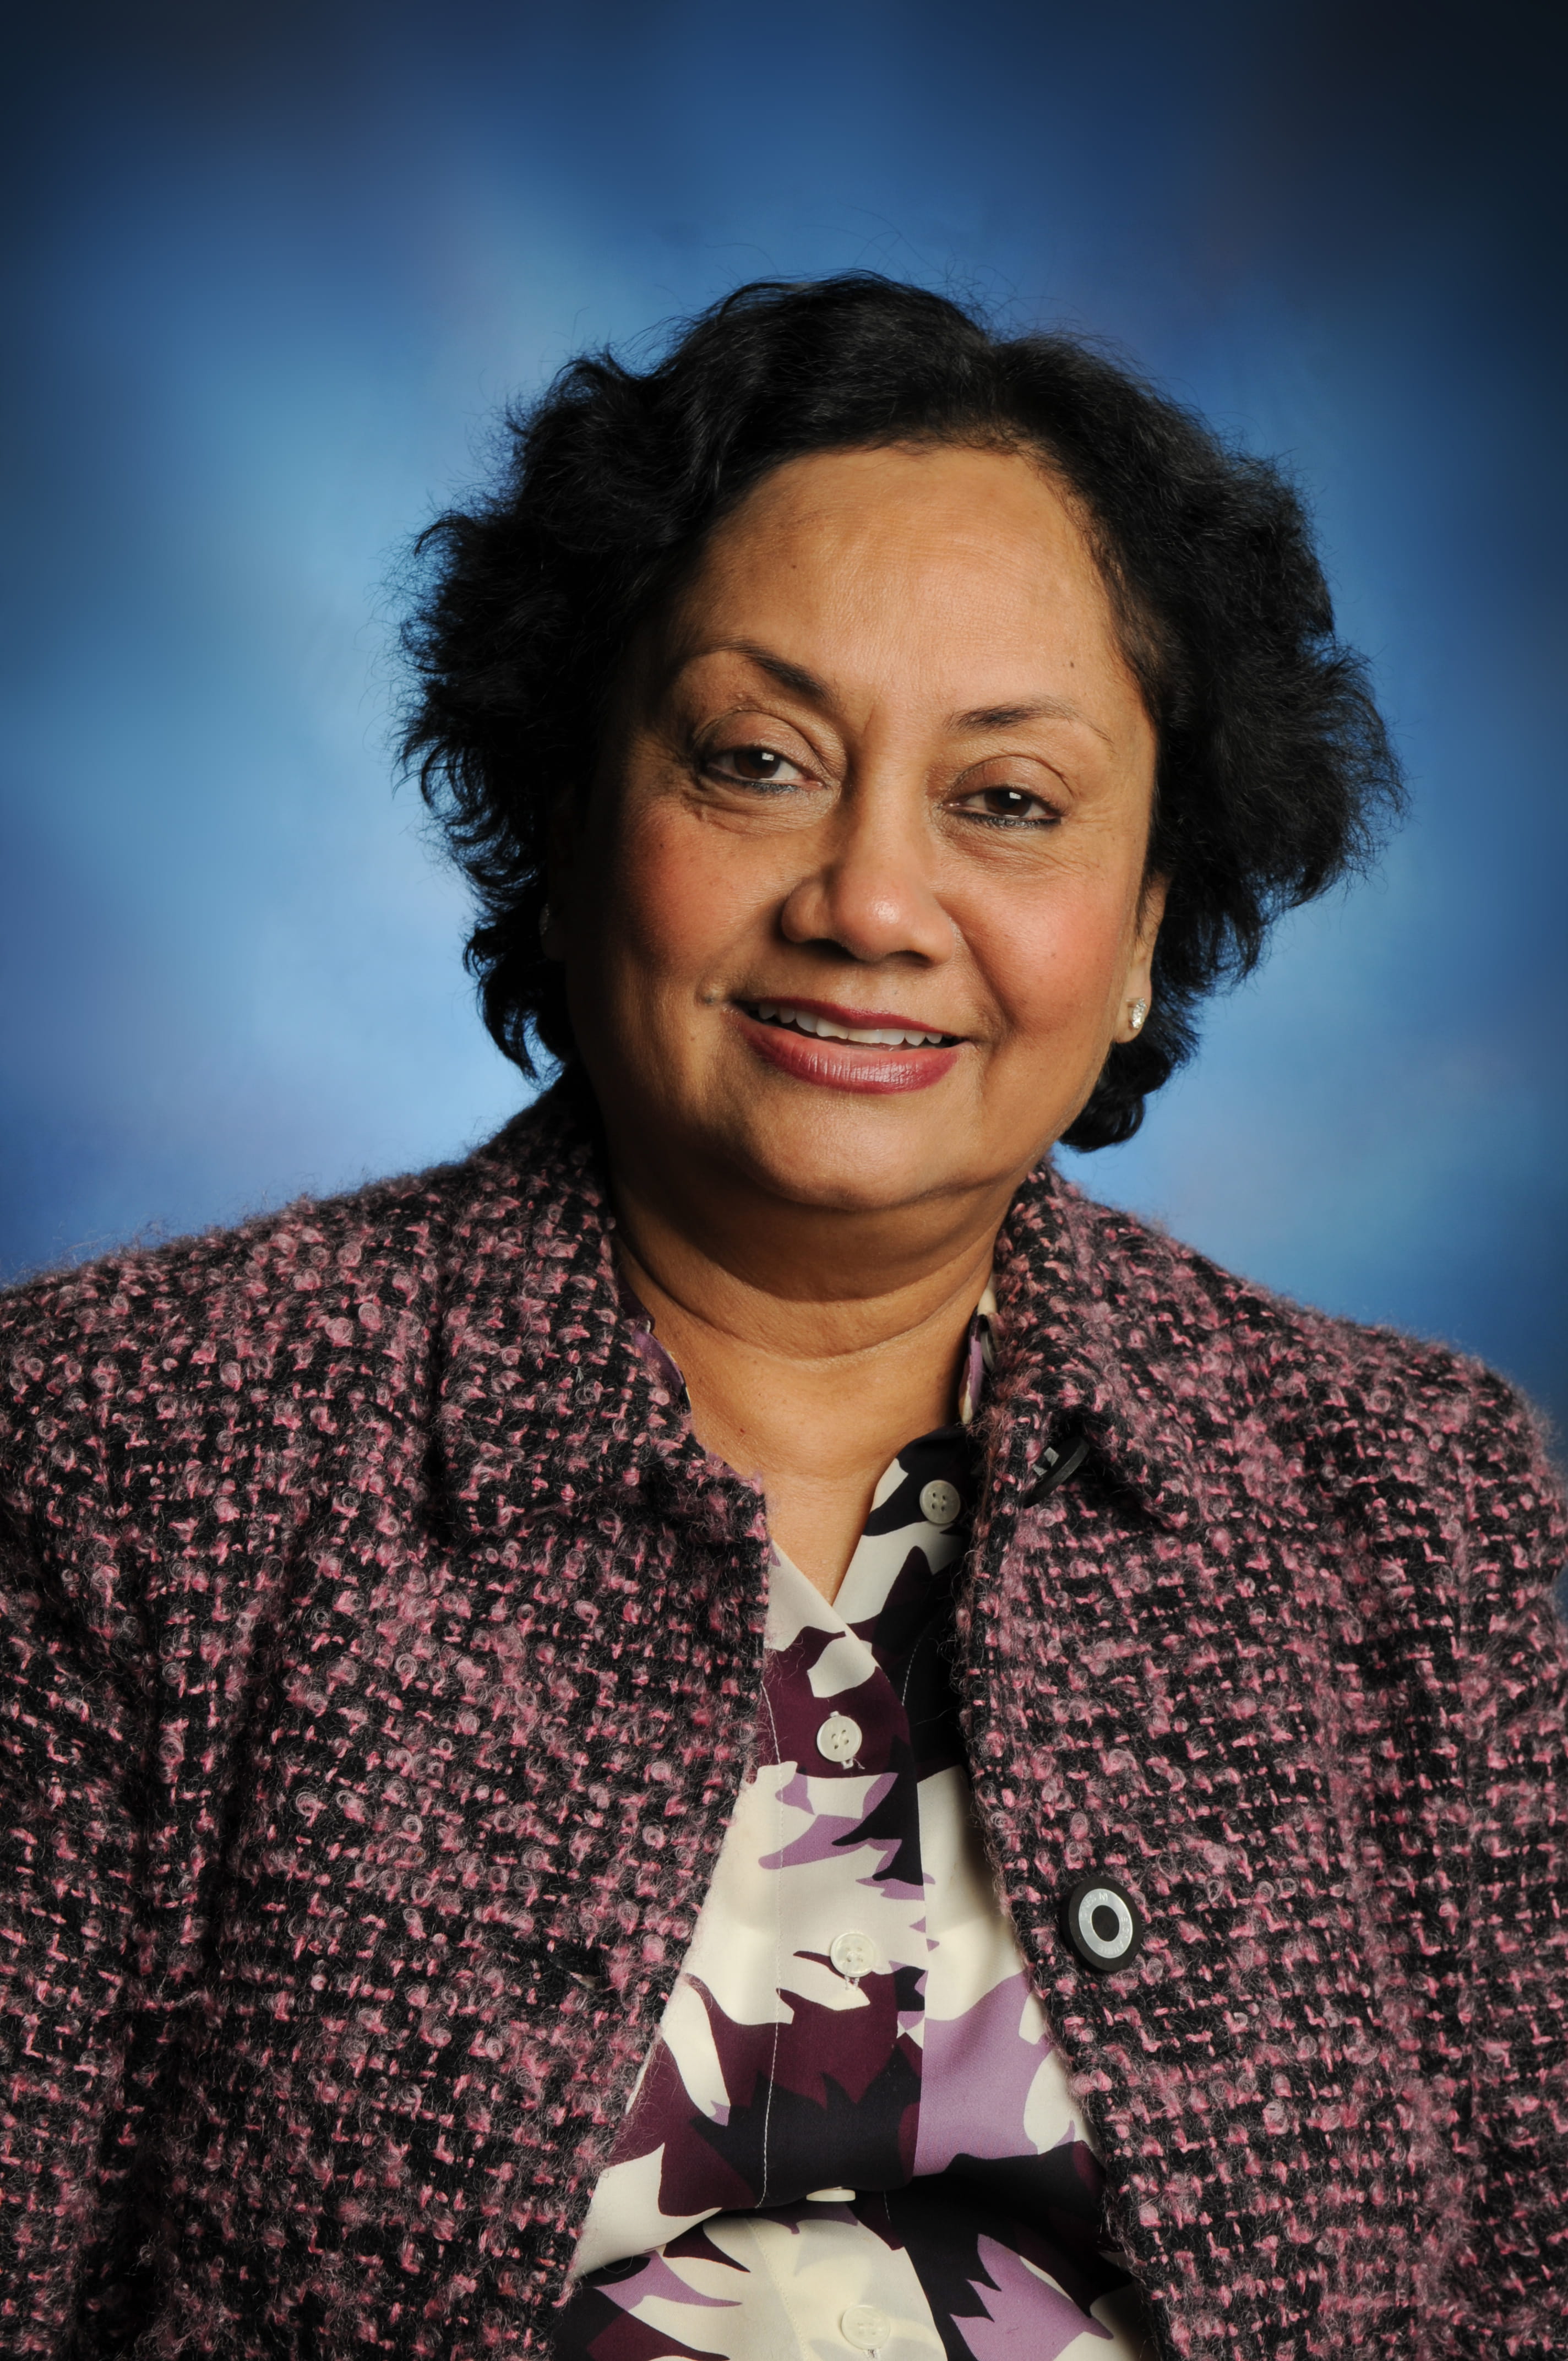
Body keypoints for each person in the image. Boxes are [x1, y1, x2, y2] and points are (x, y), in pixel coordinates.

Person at [1, 275, 1563, 2361]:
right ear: (568, 818)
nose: (870, 903)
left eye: (1008, 800)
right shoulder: (124, 1451)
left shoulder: (1414, 1501)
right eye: (758, 762)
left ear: (1144, 929)